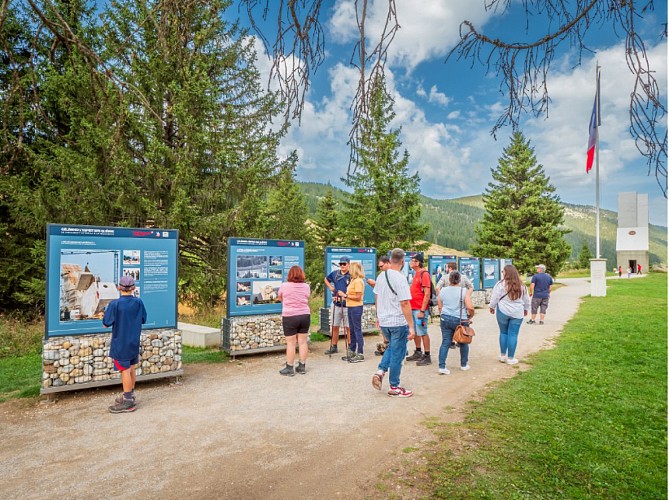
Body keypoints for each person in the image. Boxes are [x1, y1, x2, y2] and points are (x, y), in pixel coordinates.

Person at [371, 248, 416, 398]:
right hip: (397, 321)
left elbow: (377, 297)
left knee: (392, 347)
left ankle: (380, 371)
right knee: (398, 353)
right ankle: (395, 386)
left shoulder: (381, 276)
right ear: (403, 261)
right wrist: (411, 325)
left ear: (390, 260)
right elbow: (404, 303)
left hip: (384, 321)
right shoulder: (400, 278)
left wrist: (378, 317)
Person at [103, 275, 147, 413]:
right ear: (133, 288)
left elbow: (106, 323)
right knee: (131, 368)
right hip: (133, 341)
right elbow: (143, 319)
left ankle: (128, 402)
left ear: (119, 288)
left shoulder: (115, 304)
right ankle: (130, 395)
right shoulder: (138, 302)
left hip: (120, 343)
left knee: (125, 370)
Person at [489, 265, 530, 365]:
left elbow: (494, 297)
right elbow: (526, 300)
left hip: (502, 311)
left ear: (506, 273)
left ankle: (503, 356)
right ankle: (511, 358)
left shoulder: (500, 284)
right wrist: (526, 309)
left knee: (503, 332)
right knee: (513, 334)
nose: (502, 273)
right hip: (517, 312)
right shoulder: (522, 285)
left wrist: (492, 307)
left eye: (503, 271)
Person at [437, 271, 474, 374]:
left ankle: (442, 366)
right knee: (463, 341)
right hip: (460, 319)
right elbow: (469, 307)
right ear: (459, 280)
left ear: (449, 279)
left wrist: (442, 314)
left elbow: (440, 305)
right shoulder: (464, 291)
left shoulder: (443, 290)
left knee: (445, 342)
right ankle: (464, 364)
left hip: (445, 318)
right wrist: (470, 315)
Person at [277, 265, 311, 376]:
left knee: (291, 343)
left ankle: (290, 368)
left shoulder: (284, 286)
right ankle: (302, 366)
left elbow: (280, 297)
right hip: (305, 315)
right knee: (302, 342)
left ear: (290, 275)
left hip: (290, 316)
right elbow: (307, 297)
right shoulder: (306, 286)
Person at [437, 261, 473, 349]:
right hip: (461, 306)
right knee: (460, 322)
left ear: (449, 268)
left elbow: (437, 287)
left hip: (448, 306)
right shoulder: (463, 277)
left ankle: (451, 342)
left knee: (448, 328)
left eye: (446, 267)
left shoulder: (445, 277)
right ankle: (460, 339)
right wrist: (467, 296)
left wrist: (440, 297)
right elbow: (471, 287)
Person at [407, 253, 432, 366]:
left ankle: (427, 355)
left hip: (419, 309)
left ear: (417, 262)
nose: (410, 262)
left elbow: (427, 294)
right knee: (416, 331)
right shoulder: (416, 274)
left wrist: (422, 310)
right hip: (413, 307)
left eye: (412, 261)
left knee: (422, 331)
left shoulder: (424, 274)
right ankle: (418, 351)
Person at [337, 261, 365, 362]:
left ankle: (360, 353)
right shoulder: (353, 280)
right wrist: (343, 297)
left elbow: (358, 297)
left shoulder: (358, 281)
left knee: (357, 330)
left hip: (356, 307)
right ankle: (352, 350)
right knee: (352, 330)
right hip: (351, 306)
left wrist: (345, 296)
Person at [324, 256, 351, 355]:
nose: (342, 266)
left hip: (347, 304)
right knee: (335, 326)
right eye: (341, 264)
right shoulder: (335, 274)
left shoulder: (351, 275)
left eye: (344, 264)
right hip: (336, 303)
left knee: (348, 327)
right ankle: (334, 346)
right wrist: (331, 288)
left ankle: (350, 346)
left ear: (348, 264)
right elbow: (326, 279)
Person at [367, 256, 391, 356]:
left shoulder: (395, 275)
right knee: (384, 328)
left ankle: (396, 348)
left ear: (388, 263)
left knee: (392, 329)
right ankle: (386, 346)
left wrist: (375, 284)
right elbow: (379, 291)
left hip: (391, 307)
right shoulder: (381, 275)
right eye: (379, 267)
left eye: (381, 266)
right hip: (382, 307)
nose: (380, 268)